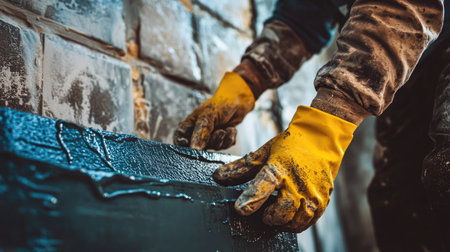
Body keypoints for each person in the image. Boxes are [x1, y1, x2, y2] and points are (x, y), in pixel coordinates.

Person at [174, 0, 450, 251]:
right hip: (416, 59)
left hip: (423, 33)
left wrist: (327, 125)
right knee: (397, 200)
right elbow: (303, 16)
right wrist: (247, 81)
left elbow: (401, 6)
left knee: (444, 176)